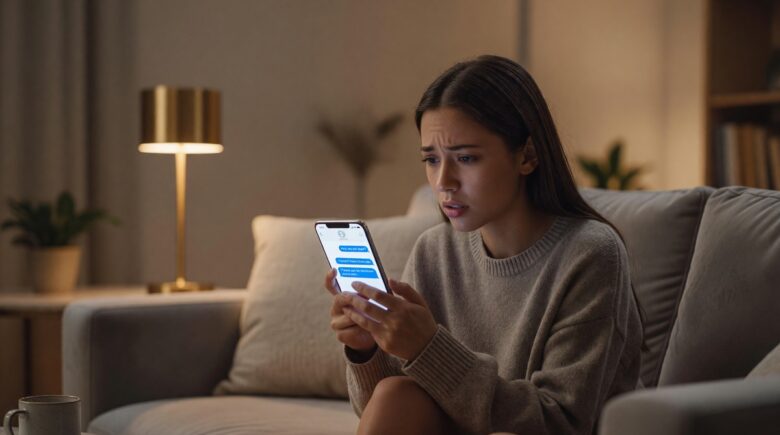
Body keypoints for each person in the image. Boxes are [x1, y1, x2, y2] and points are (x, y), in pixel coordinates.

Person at [323, 54, 643, 435]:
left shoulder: (591, 254)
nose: (444, 181)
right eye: (431, 159)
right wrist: (367, 349)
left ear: (527, 156)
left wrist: (428, 348)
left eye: (466, 157)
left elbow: (561, 421)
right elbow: (384, 406)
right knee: (395, 394)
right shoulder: (433, 251)